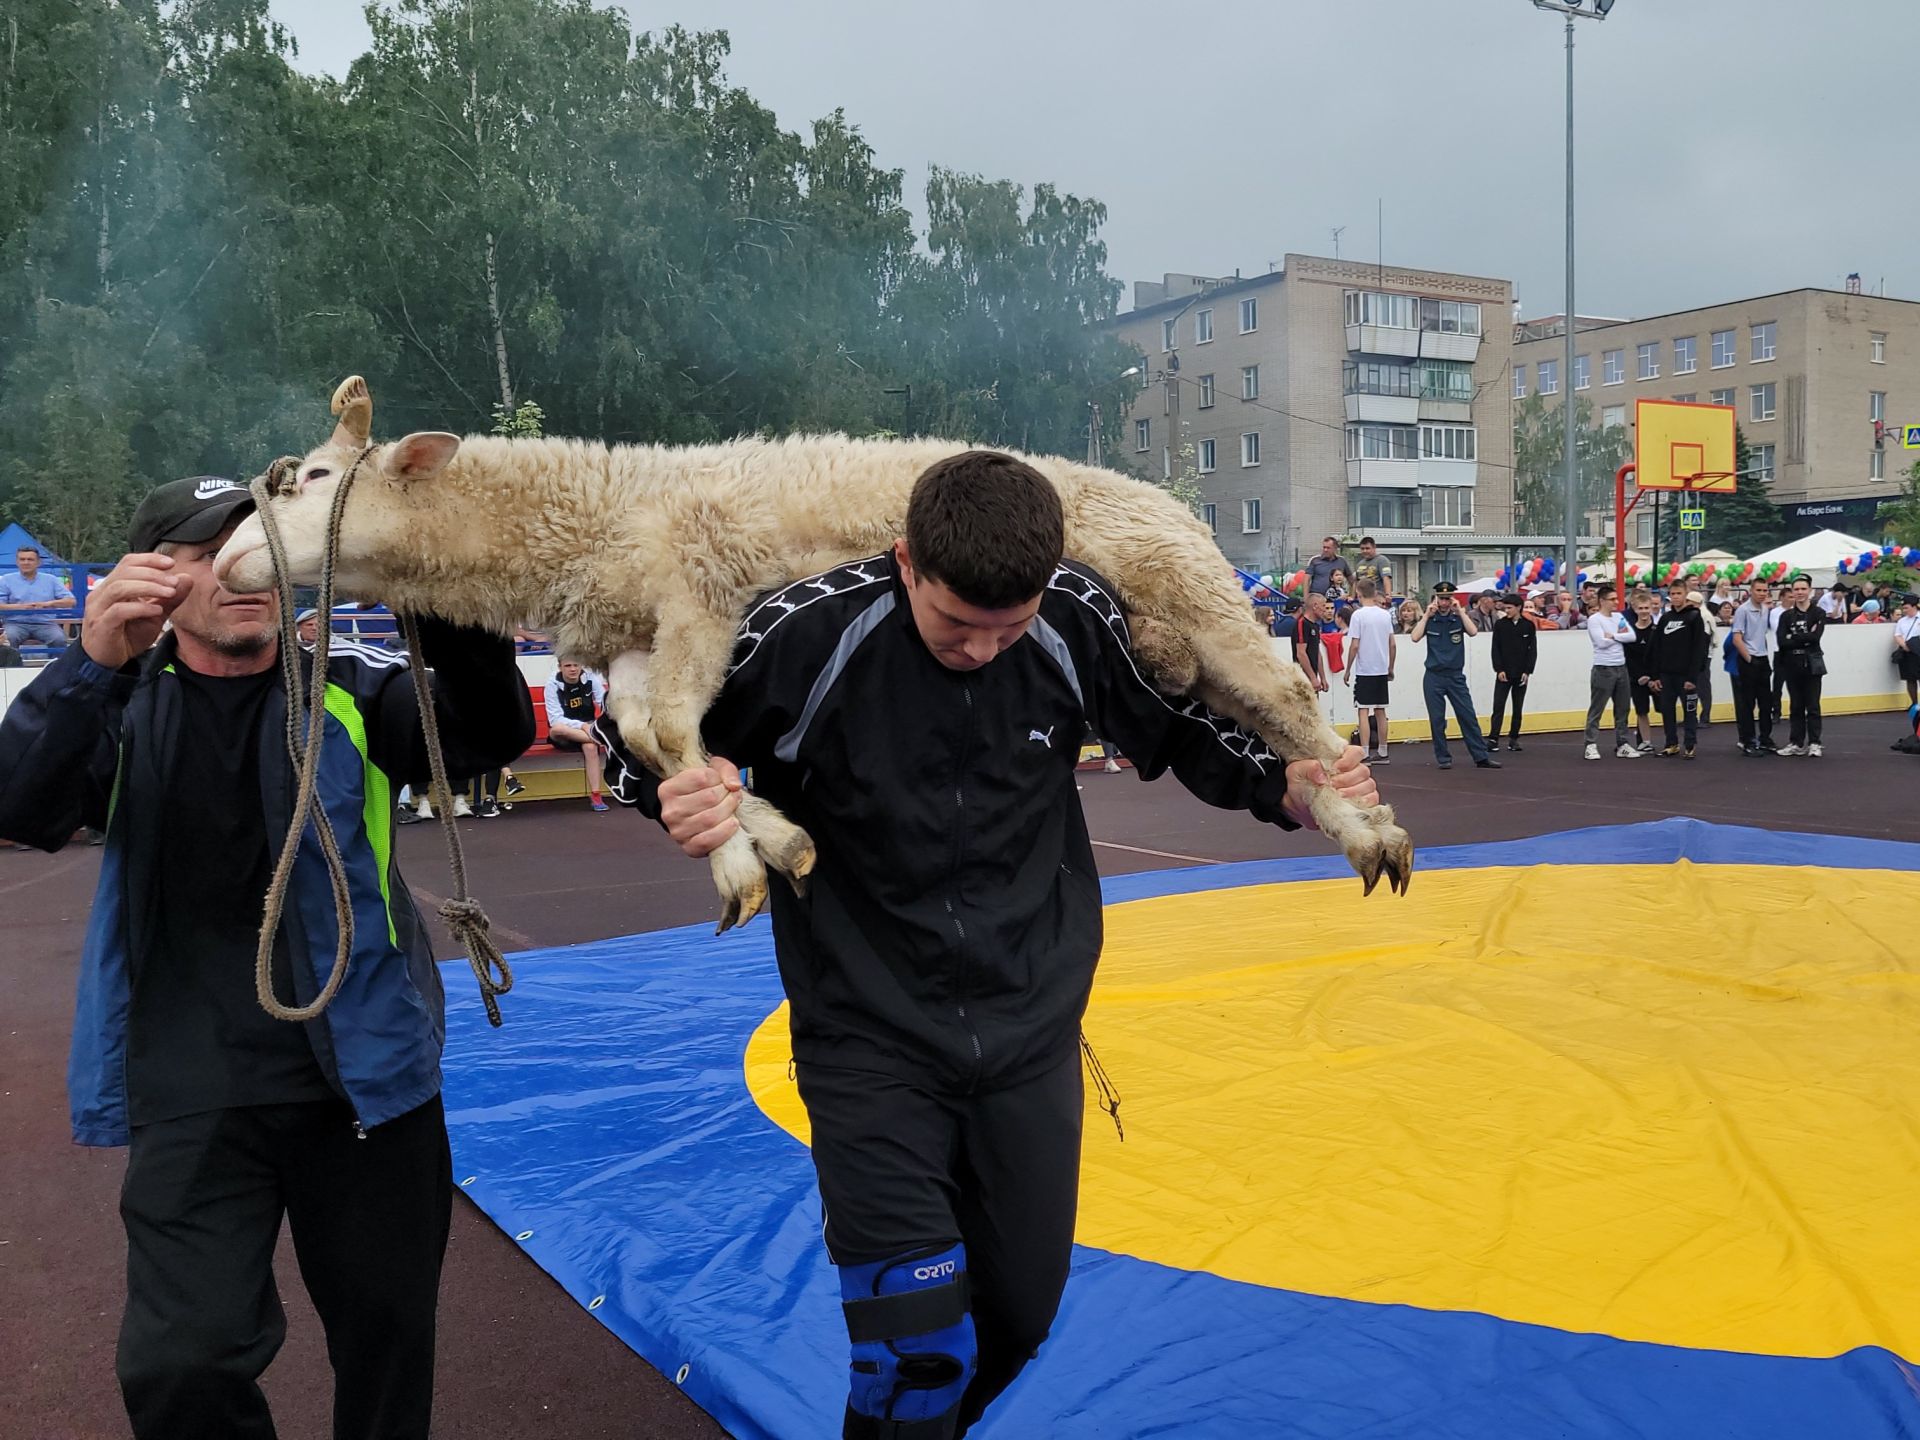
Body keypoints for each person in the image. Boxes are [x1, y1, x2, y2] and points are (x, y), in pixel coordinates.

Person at [597, 449, 1380, 1439]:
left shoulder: (1076, 618)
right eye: (958, 623)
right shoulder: (805, 631)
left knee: (1014, 1321)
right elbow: (654, 740)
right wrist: (674, 794)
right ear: (906, 562)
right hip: (869, 1042)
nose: (982, 650)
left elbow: (1177, 727)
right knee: (917, 1354)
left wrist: (1288, 786)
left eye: (1009, 628)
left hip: (1030, 1037)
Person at [0, 476, 533, 1440]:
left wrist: (438, 583)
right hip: (193, 1086)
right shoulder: (121, 705)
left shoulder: (357, 691)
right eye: (207, 555)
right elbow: (19, 807)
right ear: (151, 580)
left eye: (264, 548)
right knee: (180, 1364)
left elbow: (490, 733)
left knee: (386, 1346)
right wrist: (88, 661)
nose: (242, 572)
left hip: (367, 1082)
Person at [1408, 581, 1498, 771]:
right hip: (1434, 676)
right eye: (1441, 598)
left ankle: (1481, 757)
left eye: (1448, 598)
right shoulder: (1430, 619)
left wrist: (1461, 612)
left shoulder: (1458, 618)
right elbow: (1415, 637)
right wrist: (1426, 615)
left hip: (1455, 676)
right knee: (1437, 719)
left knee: (1467, 716)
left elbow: (1473, 632)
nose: (1445, 603)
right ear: (1436, 599)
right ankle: (1443, 758)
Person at [1581, 585, 1641, 761]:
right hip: (1603, 668)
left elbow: (1632, 636)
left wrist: (1613, 636)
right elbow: (1601, 642)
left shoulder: (1618, 616)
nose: (1616, 602)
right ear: (1602, 601)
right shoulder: (1595, 619)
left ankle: (1622, 743)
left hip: (1621, 667)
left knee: (1623, 708)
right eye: (1612, 599)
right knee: (1597, 708)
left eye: (1617, 598)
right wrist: (1617, 636)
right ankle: (1590, 744)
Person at [1651, 580, 1709, 758]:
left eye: (1679, 593)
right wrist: (1656, 675)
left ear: (1686, 594)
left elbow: (1699, 649)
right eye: (1673, 594)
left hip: (1687, 675)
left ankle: (1690, 744)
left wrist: (1692, 677)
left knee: (1689, 711)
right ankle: (1671, 743)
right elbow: (1656, 647)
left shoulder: (1694, 617)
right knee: (1667, 710)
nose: (1676, 597)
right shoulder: (1665, 618)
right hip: (1667, 674)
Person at [546, 657, 611, 811]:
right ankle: (602, 739)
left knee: (590, 748)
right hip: (566, 732)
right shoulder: (552, 684)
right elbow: (555, 719)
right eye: (568, 666)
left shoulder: (590, 678)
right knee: (556, 729)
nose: (573, 669)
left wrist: (599, 723)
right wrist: (581, 726)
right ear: (560, 667)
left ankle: (596, 796)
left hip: (588, 729)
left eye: (576, 665)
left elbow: (604, 703)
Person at [1342, 578, 1395, 763]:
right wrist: (1391, 666)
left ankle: (1364, 751)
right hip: (1381, 668)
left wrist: (1348, 668)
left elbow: (1355, 645)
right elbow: (1392, 644)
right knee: (1381, 710)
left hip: (1365, 669)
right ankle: (1383, 751)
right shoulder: (1385, 615)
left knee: (1363, 710)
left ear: (1359, 592)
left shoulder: (1358, 616)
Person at [1775, 574, 1828, 756]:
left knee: (1812, 705)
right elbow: (1782, 641)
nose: (1800, 592)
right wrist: (1801, 639)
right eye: (1796, 589)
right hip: (1791, 664)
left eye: (1803, 589)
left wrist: (1794, 637)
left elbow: (1815, 638)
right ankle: (1796, 742)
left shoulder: (1818, 613)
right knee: (1796, 705)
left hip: (1812, 663)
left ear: (1810, 590)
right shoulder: (1786, 616)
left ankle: (1814, 742)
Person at [1728, 576, 1778, 755]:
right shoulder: (1743, 610)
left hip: (1763, 658)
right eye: (1759, 590)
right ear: (1751, 591)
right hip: (1749, 660)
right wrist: (1749, 659)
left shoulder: (1765, 609)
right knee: (1747, 704)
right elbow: (1736, 638)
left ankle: (1765, 737)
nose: (1762, 594)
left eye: (1765, 590)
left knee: (1766, 703)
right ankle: (1748, 740)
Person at [1, 544, 76, 650]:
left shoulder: (51, 580)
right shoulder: (5, 580)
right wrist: (21, 607)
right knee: (8, 640)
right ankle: (12, 666)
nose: (26, 562)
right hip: (15, 624)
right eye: (22, 559)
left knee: (59, 639)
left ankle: (55, 666)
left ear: (38, 562)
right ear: (17, 562)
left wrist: (47, 604)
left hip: (45, 624)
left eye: (30, 559)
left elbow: (71, 601)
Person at [1488, 592, 1535, 753]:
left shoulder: (1528, 626)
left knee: (1517, 707)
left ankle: (1514, 738)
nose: (1506, 610)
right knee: (1498, 706)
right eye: (1505, 608)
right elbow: (1496, 649)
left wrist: (1528, 671)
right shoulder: (1500, 625)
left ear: (1518, 608)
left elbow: (1532, 650)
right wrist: (1498, 669)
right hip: (1504, 673)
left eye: (1509, 608)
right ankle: (1493, 737)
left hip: (1521, 673)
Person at [1621, 593, 1660, 755]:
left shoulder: (1657, 631)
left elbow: (1660, 656)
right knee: (1641, 711)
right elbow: (1628, 658)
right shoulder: (1630, 632)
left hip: (1657, 679)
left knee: (1665, 708)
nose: (1644, 611)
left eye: (1646, 608)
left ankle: (1671, 741)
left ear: (1651, 608)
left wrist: (1653, 678)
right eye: (1640, 608)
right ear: (1635, 609)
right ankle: (1645, 742)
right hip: (1637, 679)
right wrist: (1639, 677)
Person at [1894, 593, 1920, 708]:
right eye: (1903, 608)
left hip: (1918, 650)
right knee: (1910, 679)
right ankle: (1914, 703)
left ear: (1914, 606)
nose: (1904, 610)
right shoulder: (1902, 621)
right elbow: (1897, 635)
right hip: (1908, 651)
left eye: (1906, 608)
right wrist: (1904, 645)